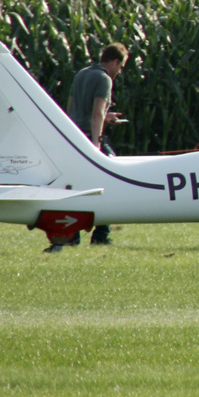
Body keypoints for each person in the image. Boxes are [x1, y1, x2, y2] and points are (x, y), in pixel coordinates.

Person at [67, 42, 129, 245]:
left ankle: (72, 235)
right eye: (120, 67)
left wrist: (106, 116)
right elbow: (96, 112)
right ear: (115, 62)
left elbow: (72, 106)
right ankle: (101, 236)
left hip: (75, 135)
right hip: (89, 135)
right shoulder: (104, 78)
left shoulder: (82, 74)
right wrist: (96, 144)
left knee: (76, 189)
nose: (119, 72)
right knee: (113, 181)